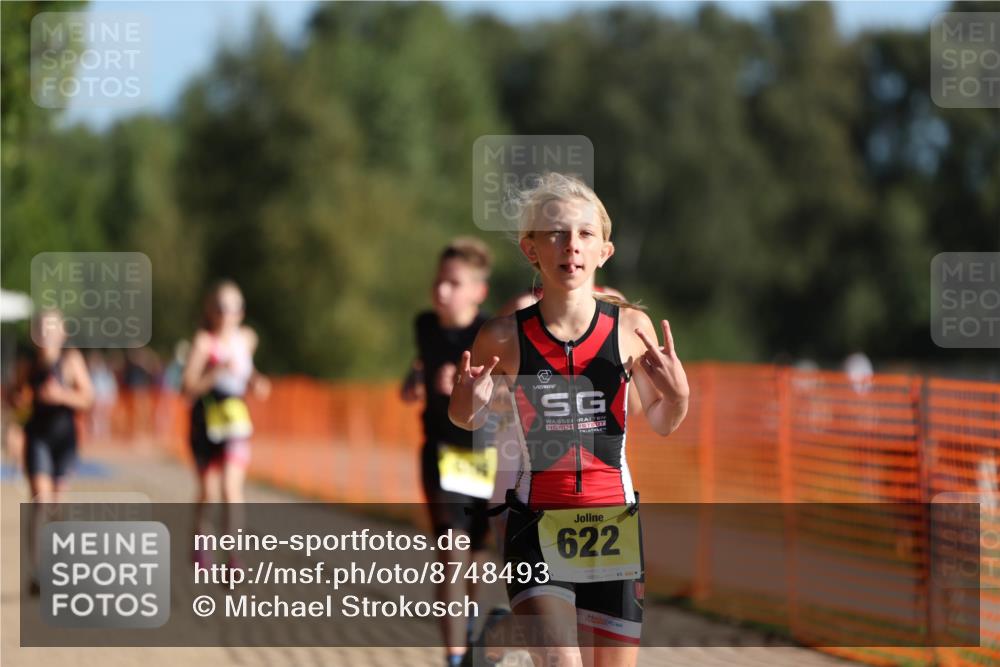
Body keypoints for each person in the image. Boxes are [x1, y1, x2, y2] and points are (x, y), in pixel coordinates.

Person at [449, 172, 690, 667]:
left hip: (613, 526)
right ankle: (514, 634)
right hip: (536, 523)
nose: (570, 246)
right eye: (555, 233)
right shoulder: (501, 336)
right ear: (531, 249)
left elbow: (665, 421)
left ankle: (503, 640)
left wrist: (679, 393)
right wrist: (467, 398)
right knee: (562, 662)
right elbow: (468, 421)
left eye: (584, 234)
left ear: (605, 251)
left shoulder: (630, 329)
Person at [400, 237, 496, 667]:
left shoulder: (493, 333)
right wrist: (415, 380)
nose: (441, 291)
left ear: (478, 291)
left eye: (453, 284)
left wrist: (470, 392)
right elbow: (421, 362)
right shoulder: (425, 325)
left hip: (487, 455)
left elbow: (513, 395)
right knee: (452, 550)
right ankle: (455, 656)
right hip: (441, 453)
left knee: (478, 555)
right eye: (439, 281)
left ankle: (470, 621)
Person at [182, 280, 270, 570]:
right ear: (211, 311)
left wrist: (257, 382)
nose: (226, 314)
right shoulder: (204, 343)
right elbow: (187, 388)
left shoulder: (247, 339)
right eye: (220, 308)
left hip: (235, 421)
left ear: (241, 312)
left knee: (231, 489)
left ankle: (234, 557)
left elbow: (249, 371)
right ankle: (200, 541)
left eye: (232, 308)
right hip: (205, 421)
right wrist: (217, 370)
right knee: (209, 491)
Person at [14, 309, 94, 595]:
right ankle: (37, 572)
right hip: (37, 439)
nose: (45, 334)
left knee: (56, 505)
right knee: (40, 501)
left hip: (65, 441)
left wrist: (61, 395)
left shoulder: (71, 362)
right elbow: (15, 400)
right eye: (41, 329)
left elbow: (88, 398)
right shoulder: (28, 365)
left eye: (51, 328)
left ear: (63, 333)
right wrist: (18, 406)